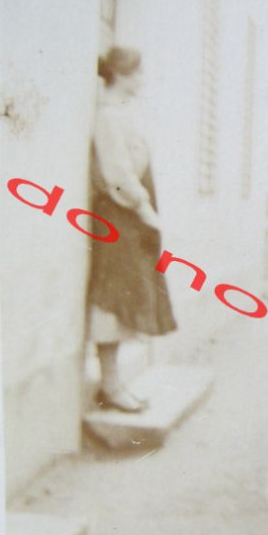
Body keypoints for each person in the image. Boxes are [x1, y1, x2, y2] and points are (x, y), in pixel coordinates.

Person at [87, 46, 177, 412]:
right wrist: (143, 207)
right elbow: (118, 175)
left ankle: (113, 383)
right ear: (122, 75)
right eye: (137, 73)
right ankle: (109, 385)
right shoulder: (108, 116)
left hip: (128, 220)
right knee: (112, 297)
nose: (142, 80)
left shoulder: (122, 114)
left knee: (125, 294)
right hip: (117, 217)